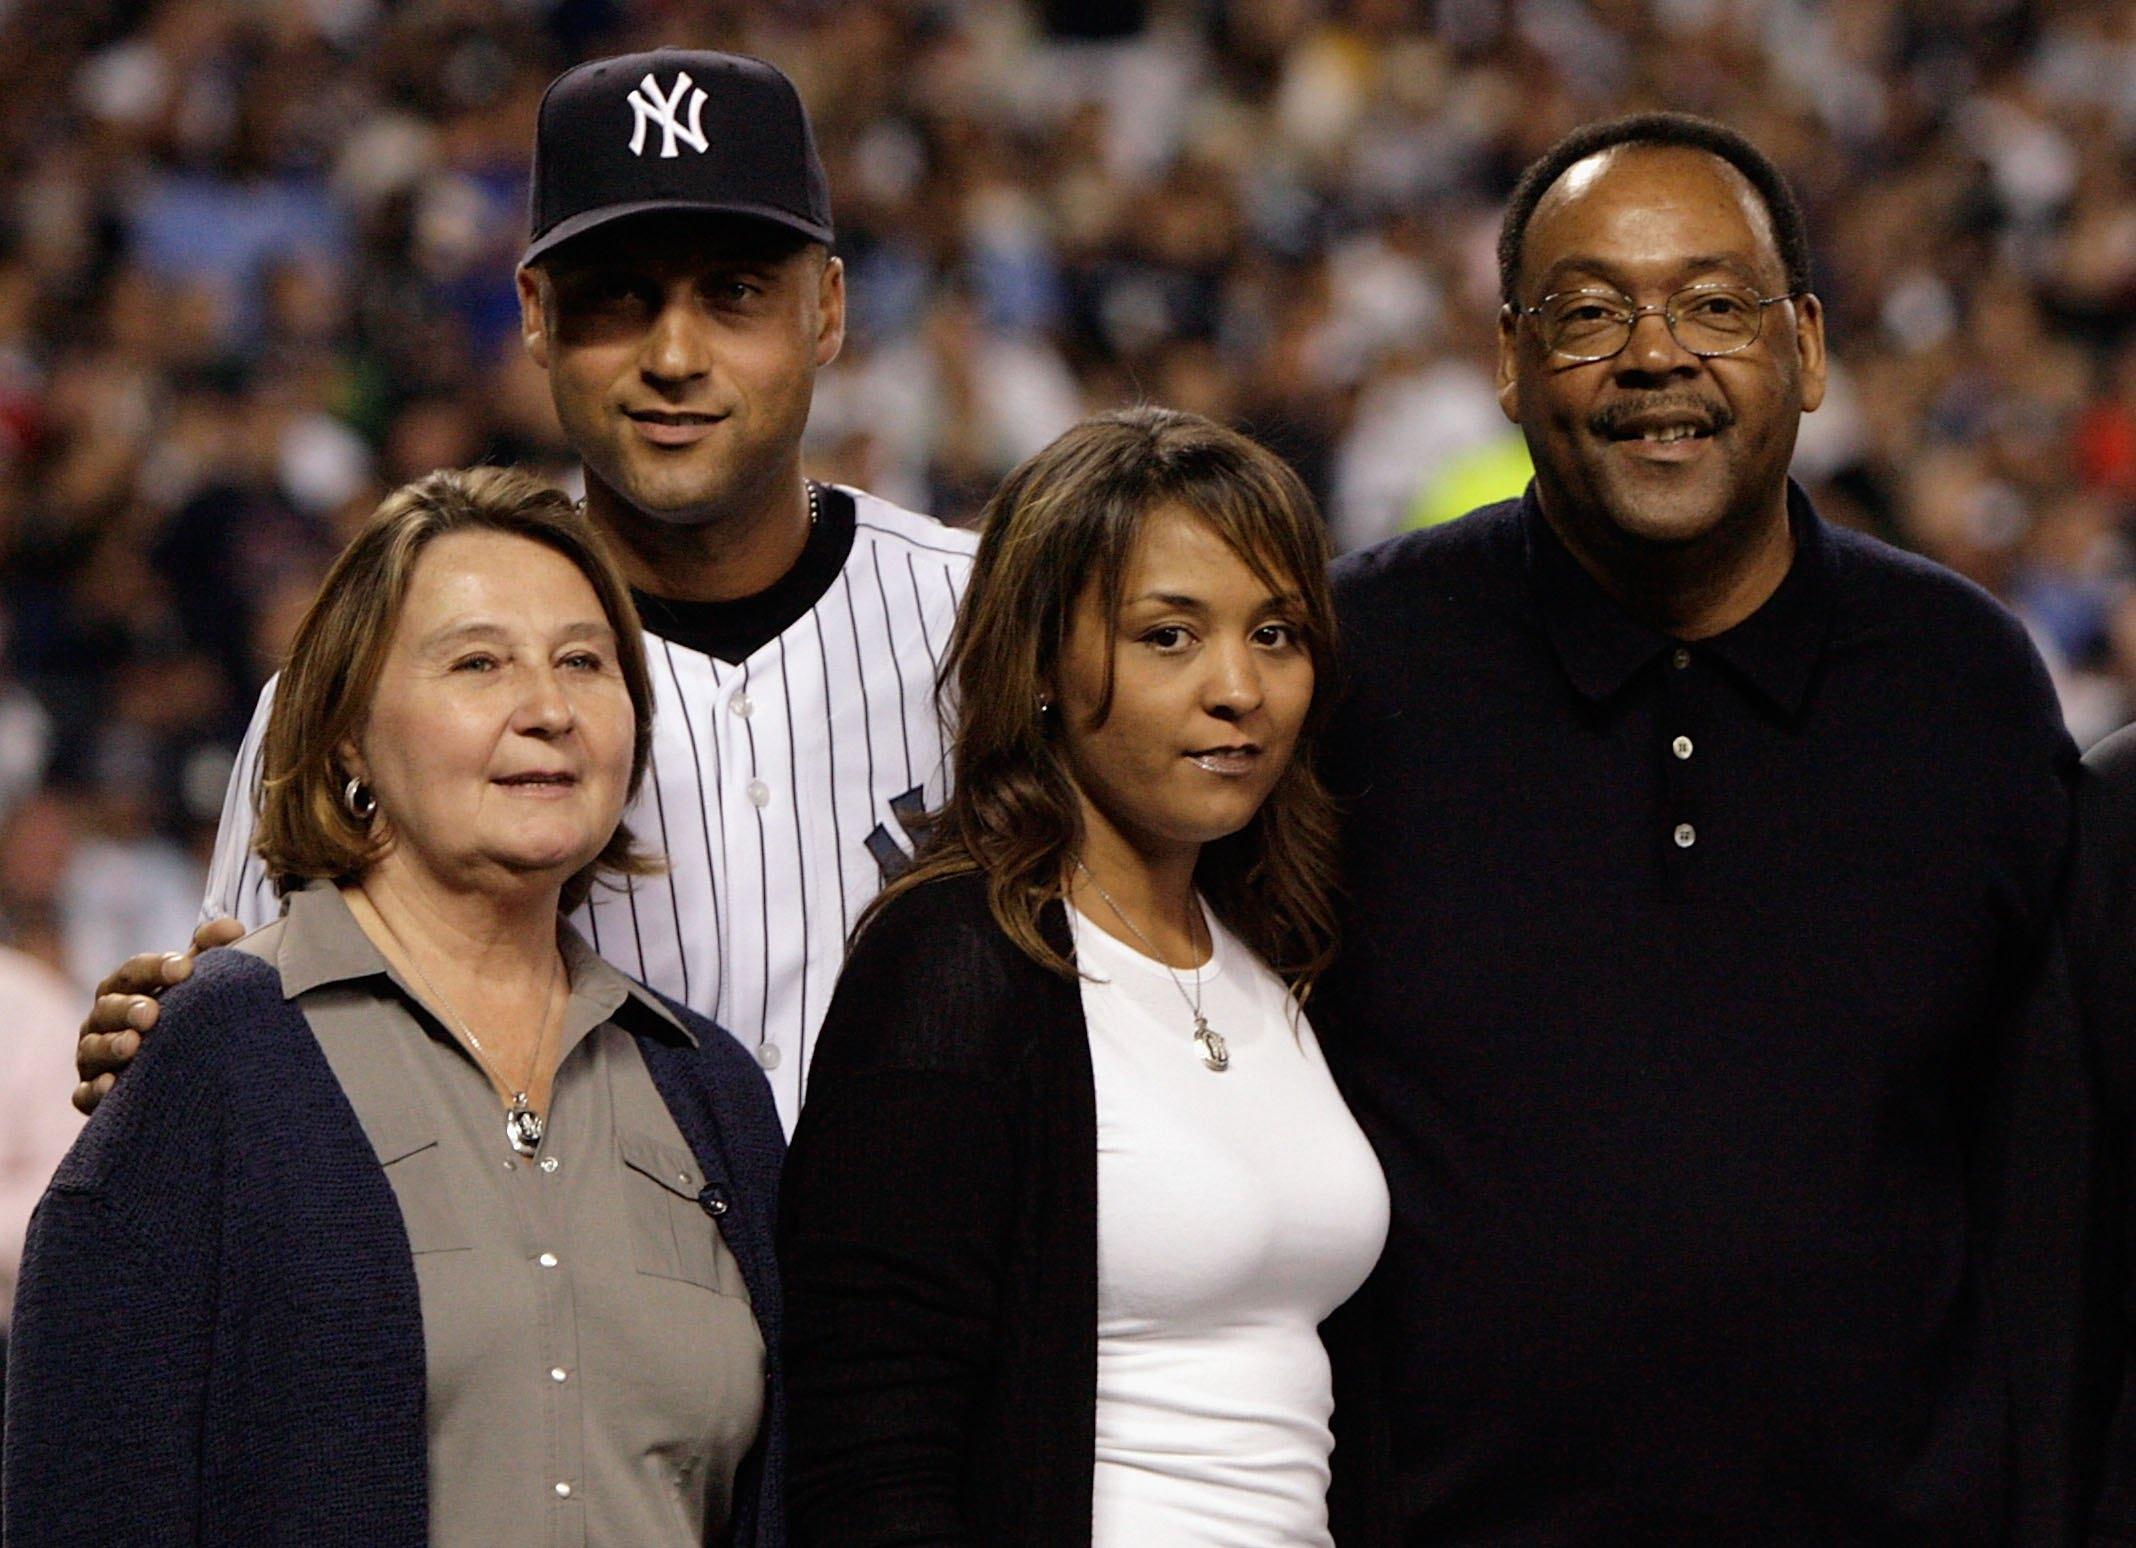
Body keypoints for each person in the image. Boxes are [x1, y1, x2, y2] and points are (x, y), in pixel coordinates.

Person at [1316, 113, 2077, 1543]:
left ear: (1806, 346)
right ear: (1506, 360)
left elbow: (2047, 1172)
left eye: (1715, 305)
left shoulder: (1962, 681)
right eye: (1591, 312)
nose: (1657, 355)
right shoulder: (1355, 668)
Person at [74, 48, 975, 1132]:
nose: (675, 353)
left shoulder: (994, 624)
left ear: (825, 311)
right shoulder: (364, 682)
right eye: (618, 299)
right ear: (536, 315)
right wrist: (179, 1056)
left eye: (734, 293)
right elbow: (243, 1091)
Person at [4, 468, 785, 1546]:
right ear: (347, 740)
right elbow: (84, 1502)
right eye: (478, 663)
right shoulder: (210, 1055)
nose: (549, 709)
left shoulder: (712, 1091)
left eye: (583, 663)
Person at [777, 406, 1389, 1547]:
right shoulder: (955, 959)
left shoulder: (1275, 944)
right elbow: (868, 1455)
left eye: (1277, 634)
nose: (1239, 689)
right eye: (1169, 636)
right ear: (1043, 658)